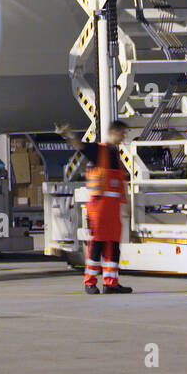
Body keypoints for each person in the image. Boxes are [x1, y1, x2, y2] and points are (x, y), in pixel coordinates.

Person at [57, 119, 133, 294]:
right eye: (122, 133)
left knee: (113, 247)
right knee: (97, 245)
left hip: (113, 210)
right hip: (99, 209)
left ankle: (111, 283)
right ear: (114, 132)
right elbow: (80, 146)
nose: (124, 137)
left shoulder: (116, 155)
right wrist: (67, 135)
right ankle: (90, 282)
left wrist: (126, 207)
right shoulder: (99, 150)